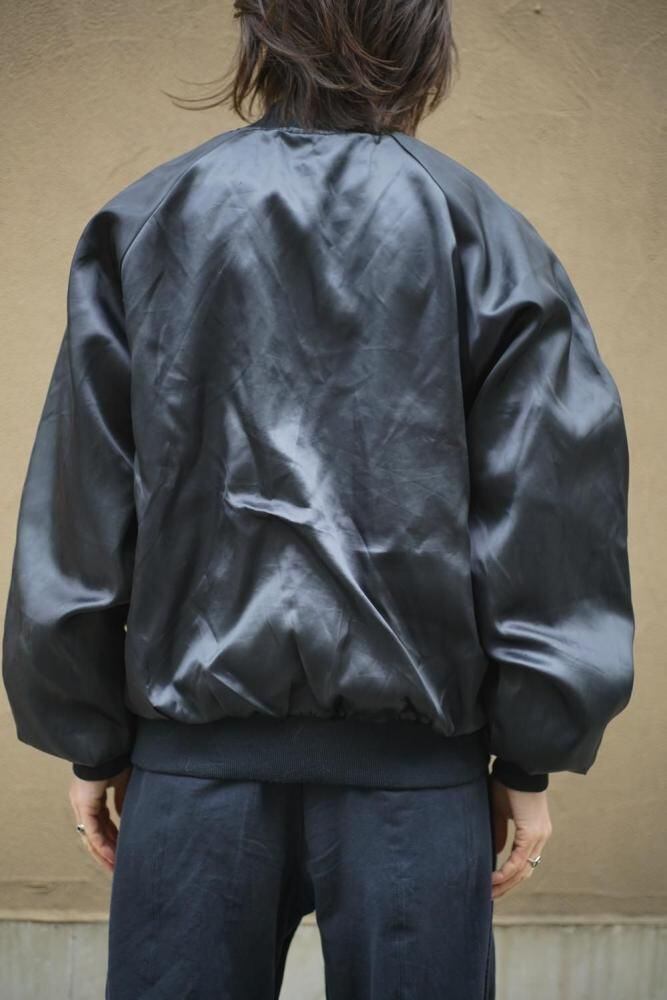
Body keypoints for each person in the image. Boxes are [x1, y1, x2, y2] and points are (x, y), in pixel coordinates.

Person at [2, 2, 634, 998]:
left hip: (192, 781)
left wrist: (90, 741)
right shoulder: (487, 237)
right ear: (421, 38)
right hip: (414, 789)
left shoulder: (148, 218)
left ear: (260, 30)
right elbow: (552, 513)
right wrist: (529, 758)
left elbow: (82, 504)